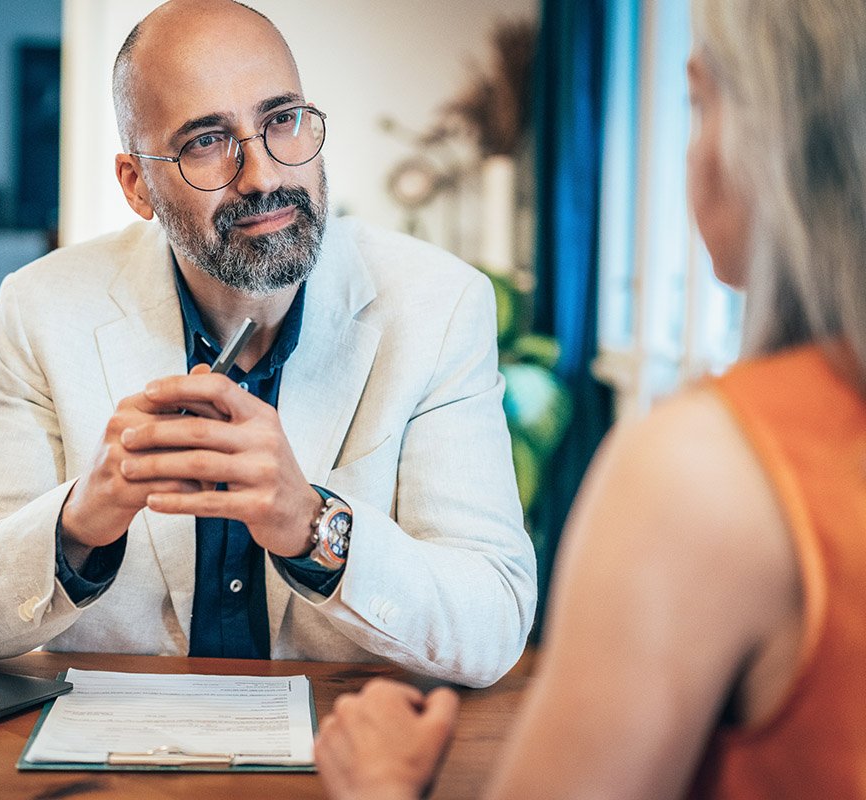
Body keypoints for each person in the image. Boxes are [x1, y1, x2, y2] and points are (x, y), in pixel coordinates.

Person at [314, 0, 866, 797]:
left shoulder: (708, 467)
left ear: (776, 139)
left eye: (698, 103)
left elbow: (493, 614)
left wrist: (380, 786)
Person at [0, 0, 535, 686]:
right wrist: (79, 523)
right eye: (206, 140)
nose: (264, 175)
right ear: (136, 185)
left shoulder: (437, 306)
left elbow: (494, 623)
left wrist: (314, 527)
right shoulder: (45, 306)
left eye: (282, 120)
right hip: (128, 768)